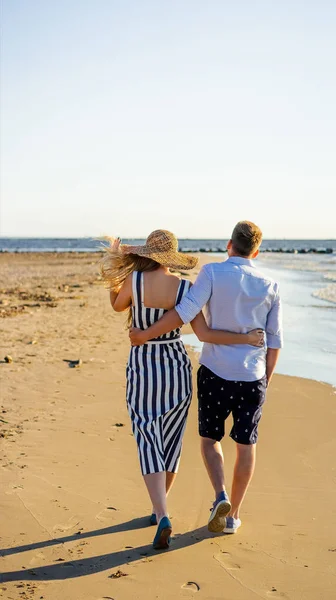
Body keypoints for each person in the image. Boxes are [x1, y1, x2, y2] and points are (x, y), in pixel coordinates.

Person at [100, 229, 263, 550]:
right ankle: (157, 508)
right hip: (176, 364)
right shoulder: (186, 288)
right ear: (172, 258)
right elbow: (204, 332)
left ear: (147, 255)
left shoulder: (134, 283)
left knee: (147, 434)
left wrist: (115, 269)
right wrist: (246, 339)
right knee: (171, 439)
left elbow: (117, 307)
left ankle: (162, 513)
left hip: (144, 365)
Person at [129, 221, 283, 535]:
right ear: (256, 250)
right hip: (252, 376)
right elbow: (275, 339)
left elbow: (184, 313)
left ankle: (220, 495)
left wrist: (145, 334)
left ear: (230, 245)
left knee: (211, 440)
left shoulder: (212, 273)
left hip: (215, 372)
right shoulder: (270, 284)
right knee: (246, 445)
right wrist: (265, 378)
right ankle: (232, 517)